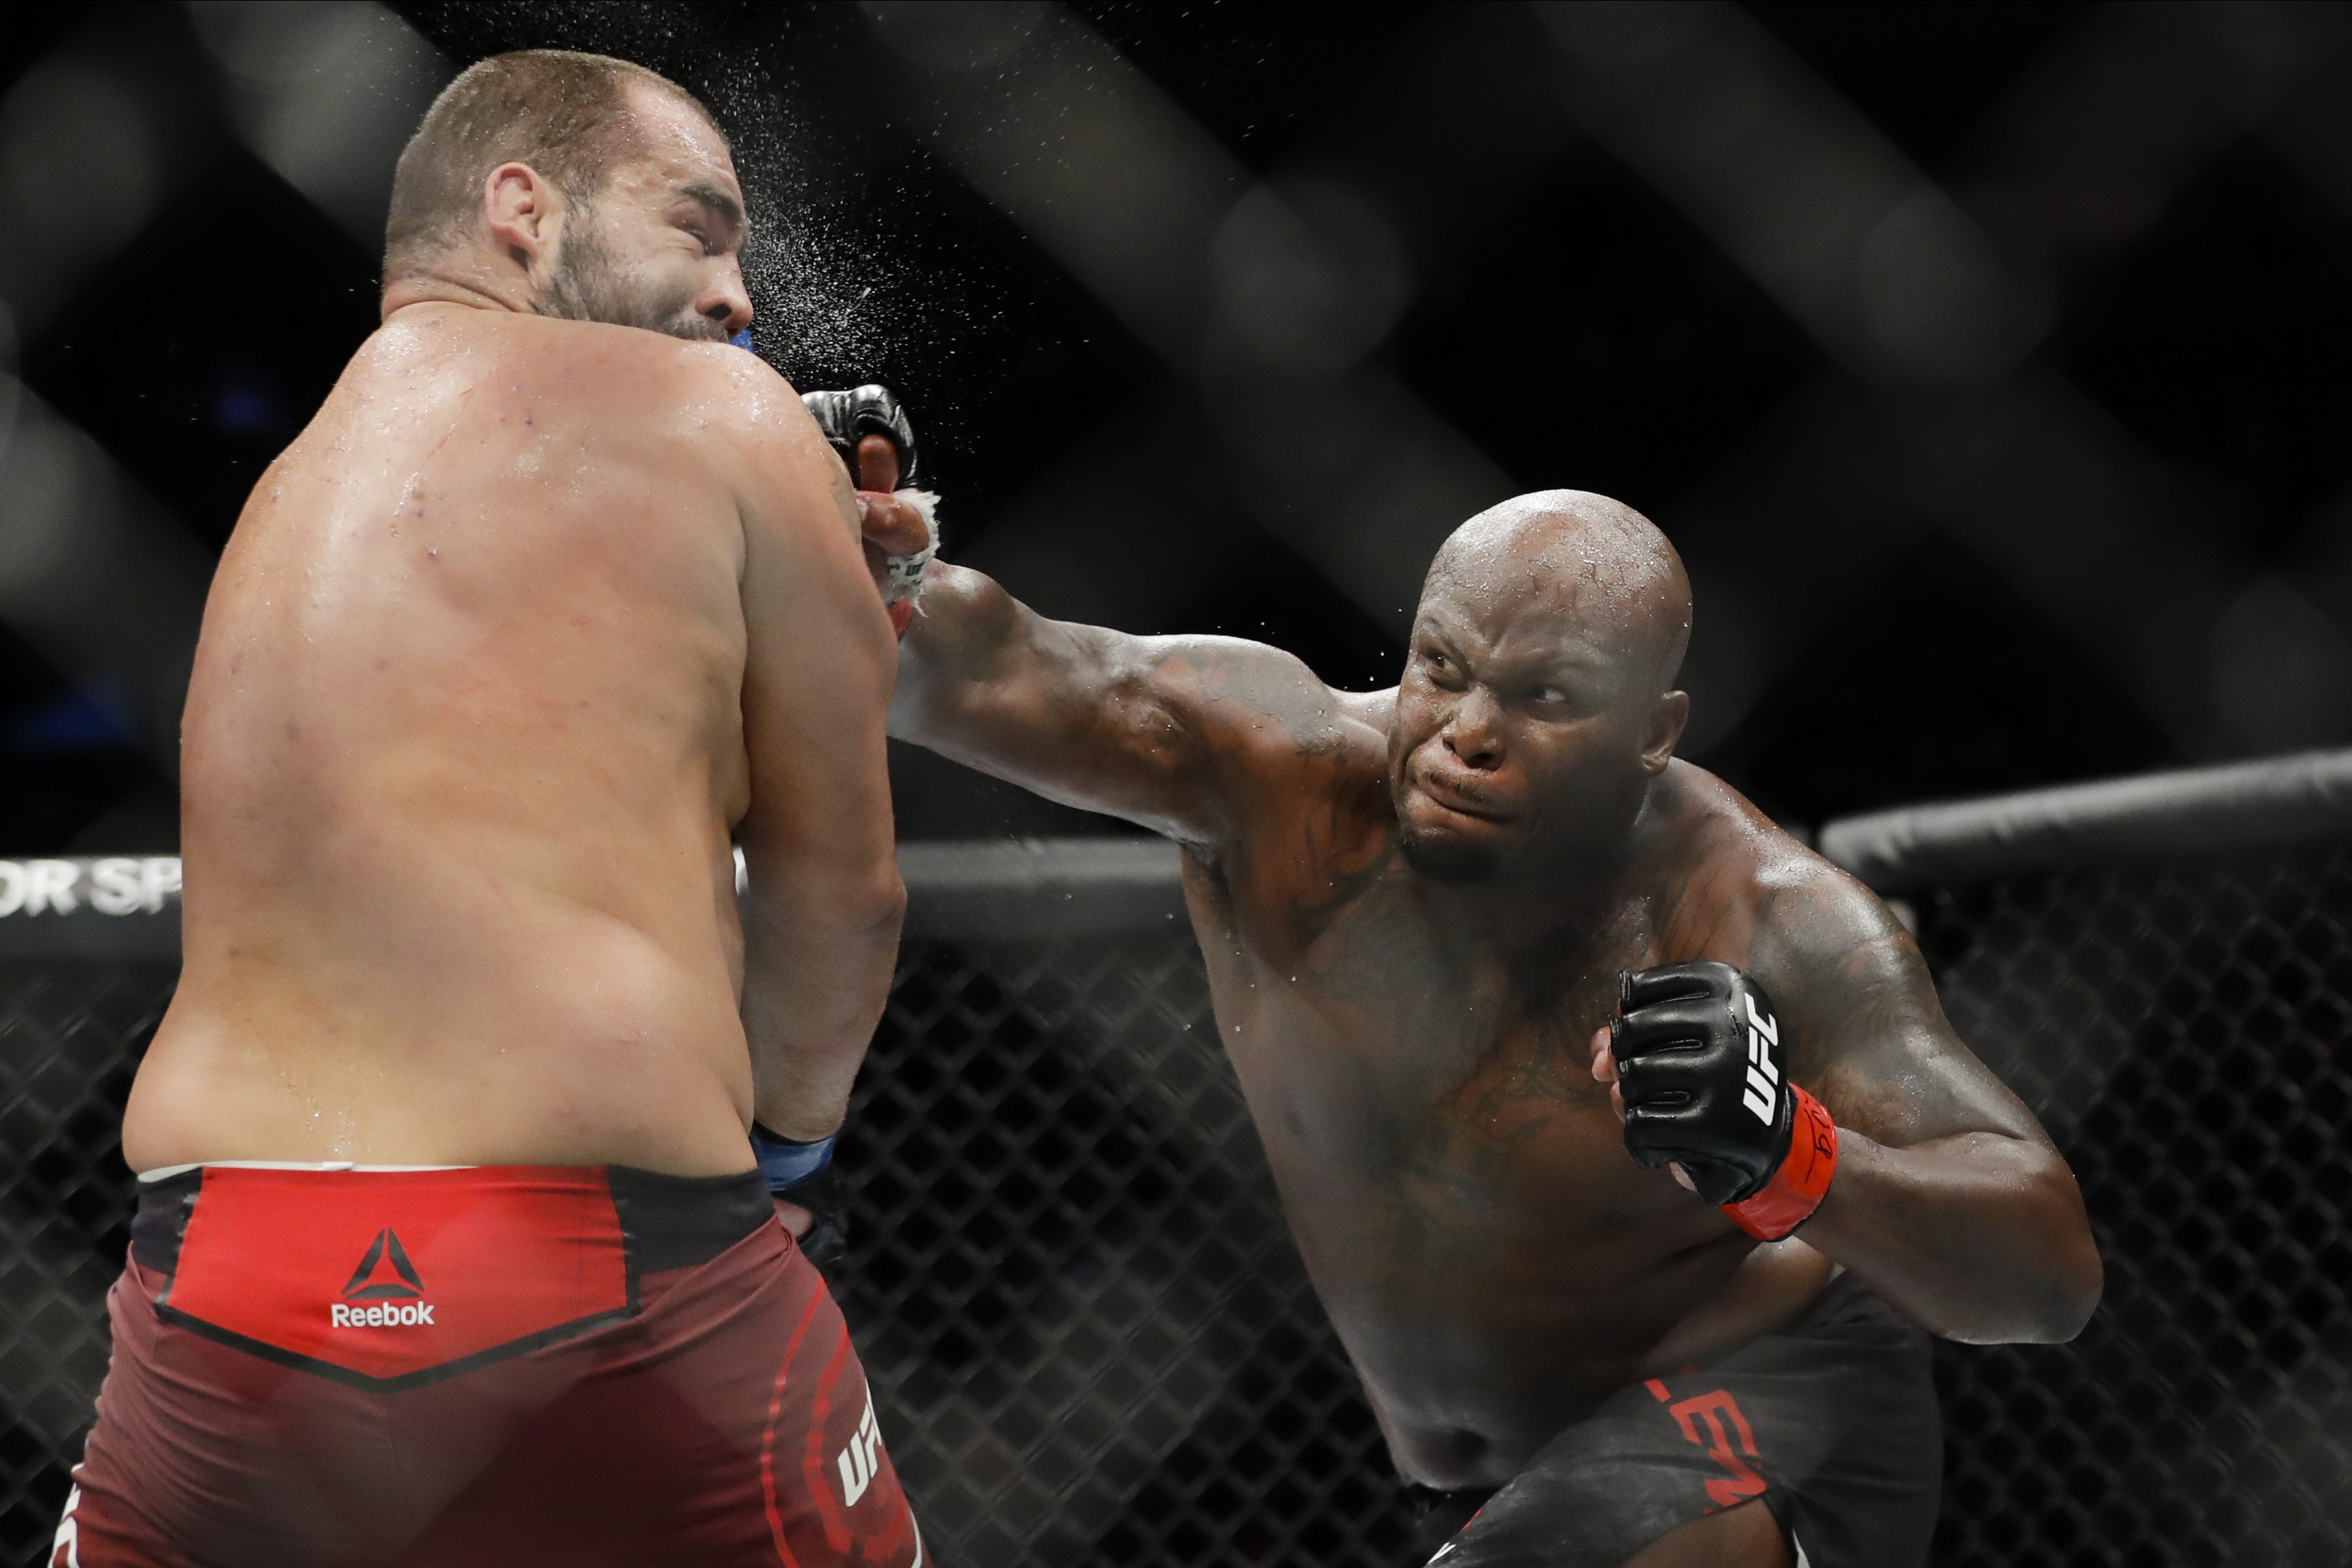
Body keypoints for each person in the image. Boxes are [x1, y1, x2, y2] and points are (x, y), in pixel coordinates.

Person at [881, 461, 2102, 1565]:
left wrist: (1794, 1155)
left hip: (1772, 1413)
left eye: (1545, 697)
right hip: (1467, 1479)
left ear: (1651, 734)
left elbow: (2047, 1278)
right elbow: (990, 662)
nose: (1465, 735)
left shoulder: (1763, 918)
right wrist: (833, 533)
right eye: (1442, 668)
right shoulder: (1276, 777)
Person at [55, 51, 931, 1568]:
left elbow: (546, 792)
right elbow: (836, 895)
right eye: (696, 228)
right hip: (607, 1265)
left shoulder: (281, 500)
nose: (738, 297)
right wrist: (787, 1164)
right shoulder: (728, 416)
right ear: (521, 208)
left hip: (225, 1285)